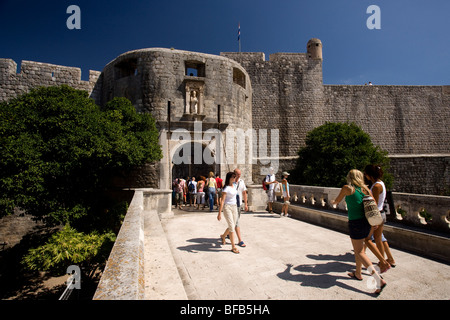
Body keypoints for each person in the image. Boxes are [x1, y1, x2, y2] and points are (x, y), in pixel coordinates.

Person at [332, 169, 387, 295]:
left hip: (356, 223)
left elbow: (336, 201)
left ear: (349, 177)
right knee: (360, 249)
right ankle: (358, 273)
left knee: (360, 252)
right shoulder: (366, 189)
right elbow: (374, 204)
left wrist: (333, 203)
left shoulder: (347, 188)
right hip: (367, 223)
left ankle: (379, 280)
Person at [364, 165, 396, 267]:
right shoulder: (379, 183)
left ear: (370, 175)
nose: (365, 175)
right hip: (380, 214)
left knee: (375, 239)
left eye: (366, 173)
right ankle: (390, 259)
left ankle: (382, 261)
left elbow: (374, 203)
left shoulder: (377, 186)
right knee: (380, 237)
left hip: (376, 215)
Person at [217, 172, 240, 254]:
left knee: (232, 225)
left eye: (235, 177)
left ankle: (223, 236)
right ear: (229, 178)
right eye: (233, 177)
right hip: (227, 207)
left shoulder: (235, 186)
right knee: (231, 226)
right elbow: (222, 200)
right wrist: (219, 212)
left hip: (234, 207)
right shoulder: (226, 188)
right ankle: (233, 246)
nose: (235, 178)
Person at [234, 168, 248, 247]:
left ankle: (225, 235)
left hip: (239, 204)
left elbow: (244, 193)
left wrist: (245, 204)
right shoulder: (231, 182)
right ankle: (240, 240)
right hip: (232, 205)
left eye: (240, 174)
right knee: (236, 222)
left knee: (235, 221)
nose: (239, 176)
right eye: (238, 174)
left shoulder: (242, 182)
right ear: (234, 174)